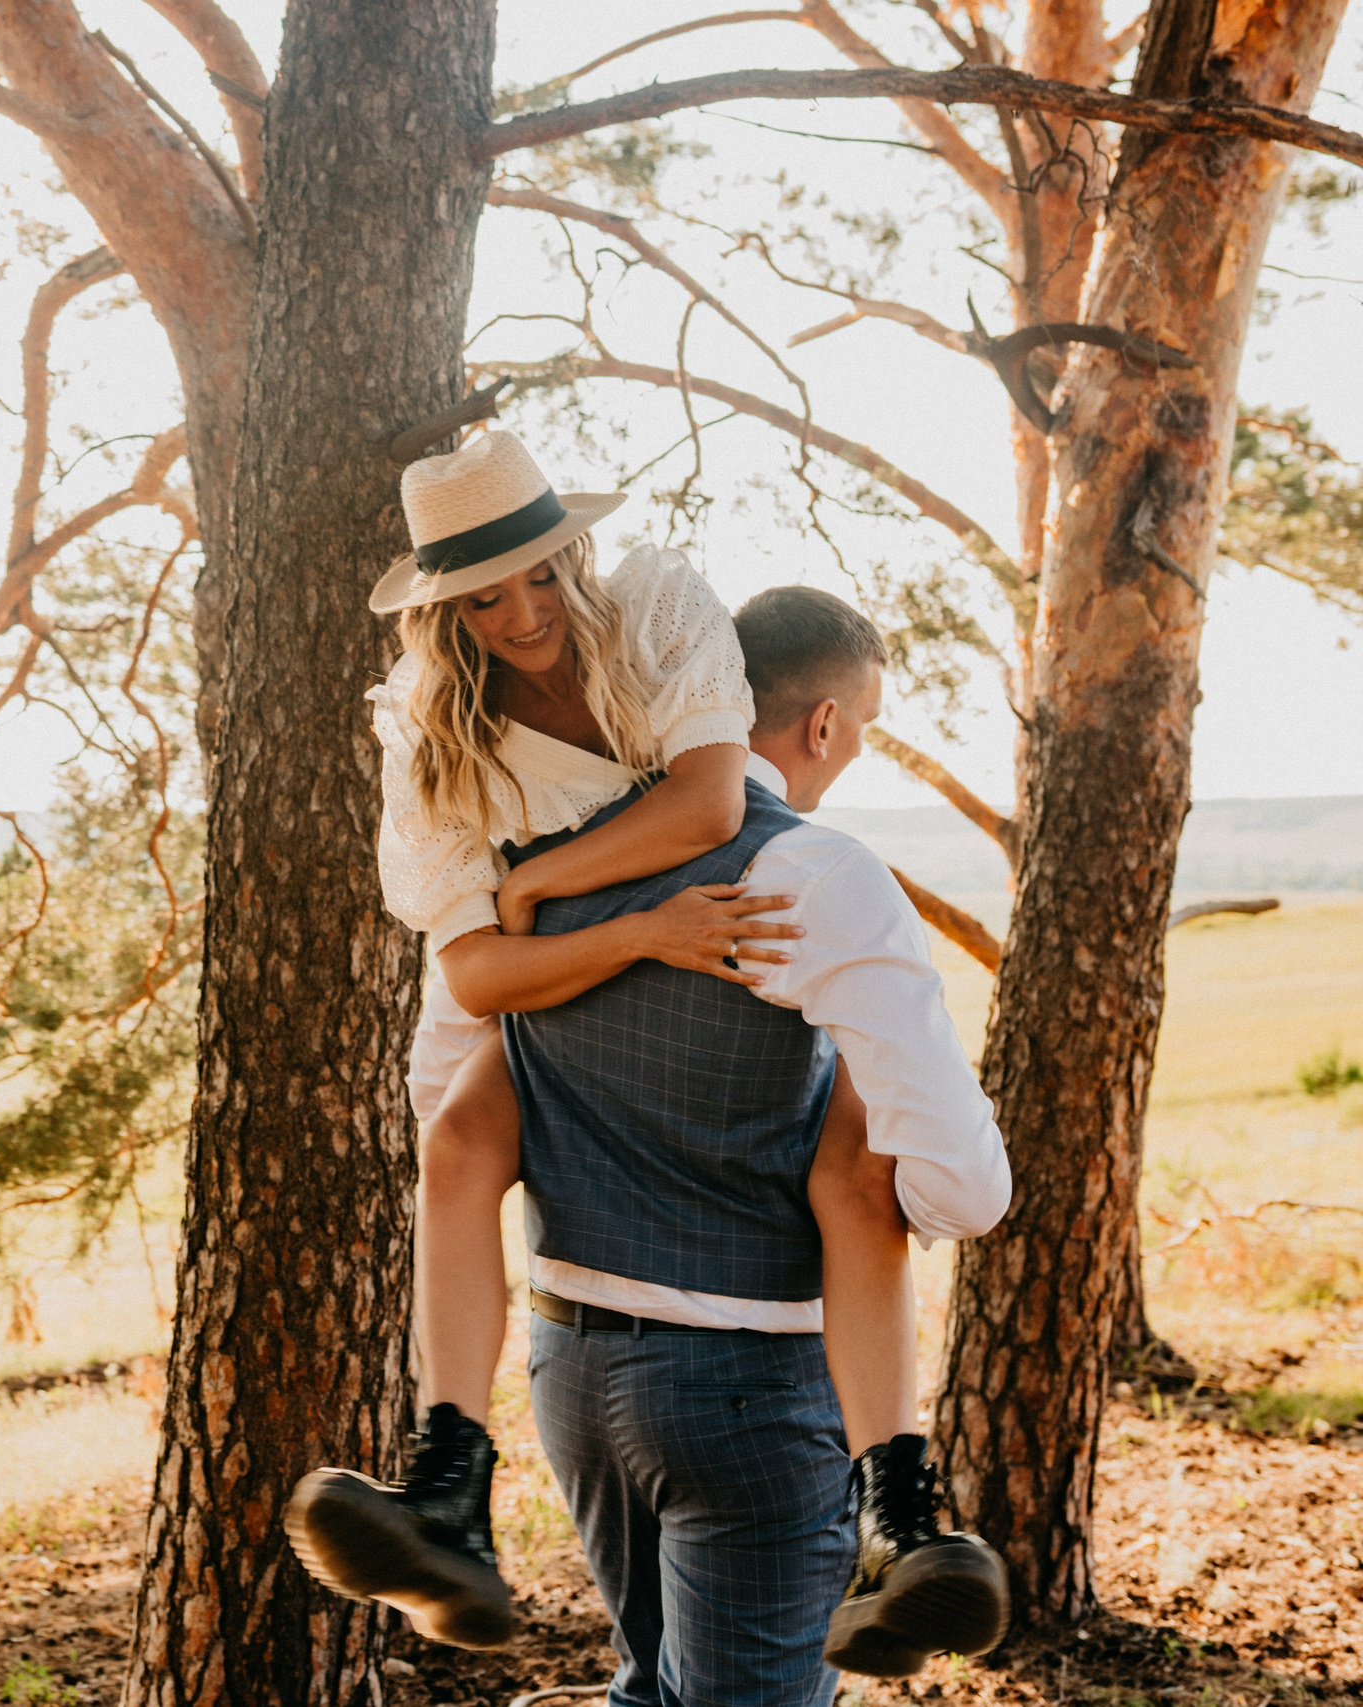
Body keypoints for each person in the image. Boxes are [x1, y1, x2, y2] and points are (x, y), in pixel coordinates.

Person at [280, 431, 1011, 1684]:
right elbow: (963, 1193)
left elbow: (450, 1078)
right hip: (746, 1375)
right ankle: (901, 1508)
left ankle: (448, 1477)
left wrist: (538, 915)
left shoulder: (542, 837)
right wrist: (849, 1137)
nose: (522, 615)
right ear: (826, 722)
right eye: (485, 597)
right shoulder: (814, 879)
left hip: (574, 1362)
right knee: (853, 1160)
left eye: (540, 578)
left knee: (647, 1681)